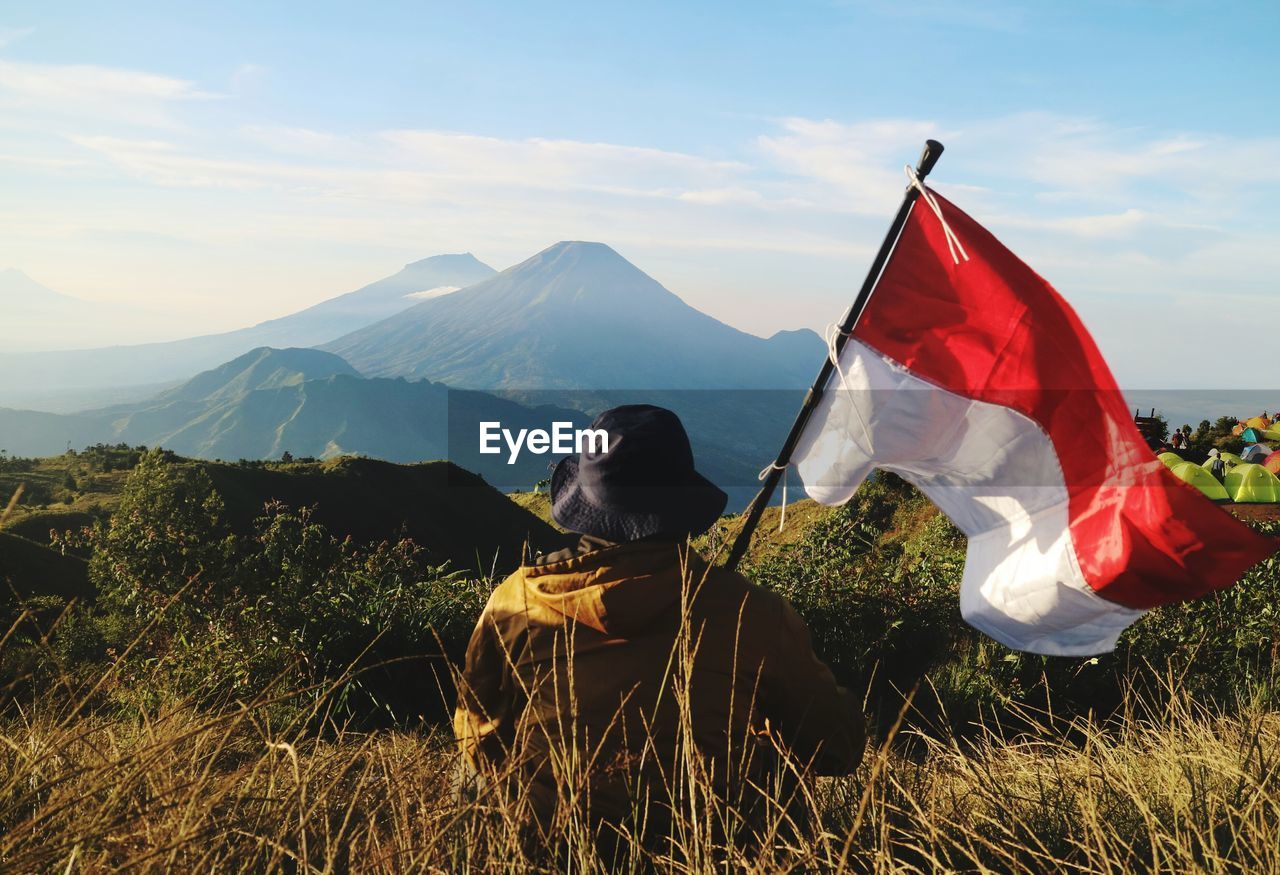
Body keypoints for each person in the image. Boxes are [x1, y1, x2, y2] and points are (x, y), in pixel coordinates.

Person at [453, 404, 865, 854]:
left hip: (553, 844)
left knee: (468, 778)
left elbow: (477, 738)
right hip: (709, 844)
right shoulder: (752, 611)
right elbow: (835, 748)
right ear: (681, 503)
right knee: (778, 763)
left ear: (584, 503)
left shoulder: (516, 602)